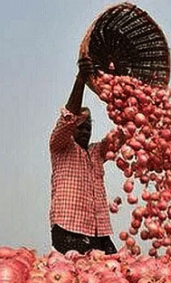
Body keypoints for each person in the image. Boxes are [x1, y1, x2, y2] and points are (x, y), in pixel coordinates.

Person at [48, 56, 117, 255]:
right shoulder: (60, 146)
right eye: (81, 127)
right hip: (69, 227)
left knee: (110, 276)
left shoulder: (97, 152)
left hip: (99, 231)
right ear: (72, 129)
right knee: (75, 279)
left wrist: (131, 102)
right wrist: (81, 80)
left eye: (89, 127)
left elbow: (123, 133)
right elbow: (67, 118)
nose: (85, 131)